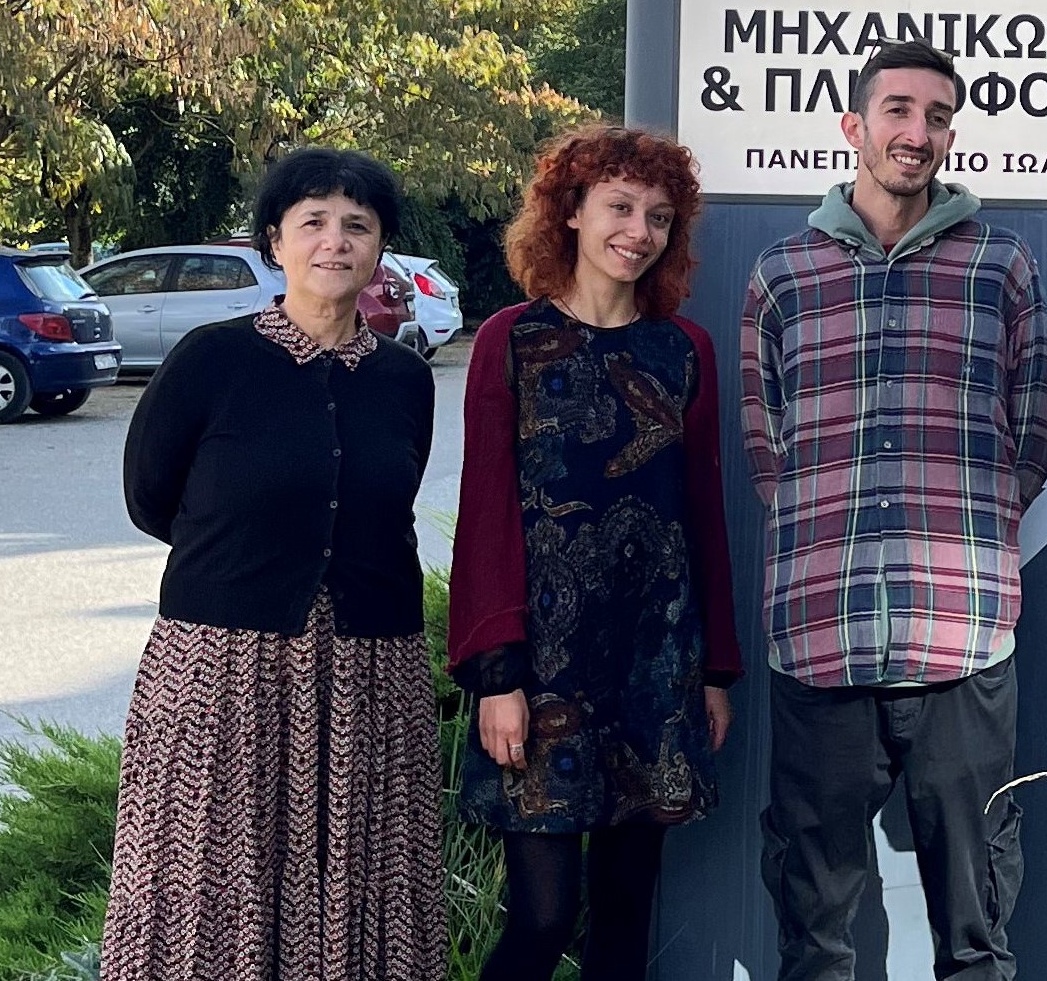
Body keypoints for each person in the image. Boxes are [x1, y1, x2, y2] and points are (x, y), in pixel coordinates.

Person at [740, 39, 1047, 981]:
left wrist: (967, 536)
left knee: (975, 931)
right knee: (816, 934)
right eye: (899, 111)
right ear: (855, 125)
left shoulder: (1001, 266)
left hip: (961, 639)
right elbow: (766, 448)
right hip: (820, 636)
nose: (918, 132)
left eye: (938, 116)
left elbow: (1032, 435)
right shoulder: (782, 274)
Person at [104, 147, 444, 980]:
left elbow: (387, 504)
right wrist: (248, 565)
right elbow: (151, 497)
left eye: (357, 225)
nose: (336, 241)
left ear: (381, 247)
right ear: (275, 241)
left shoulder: (404, 379)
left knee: (368, 872)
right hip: (223, 666)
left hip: (371, 671)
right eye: (313, 221)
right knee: (212, 878)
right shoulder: (210, 359)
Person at [448, 127, 742, 981]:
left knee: (623, 920)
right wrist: (496, 675)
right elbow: (486, 514)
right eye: (620, 207)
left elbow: (702, 515)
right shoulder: (511, 339)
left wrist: (713, 672)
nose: (639, 231)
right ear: (572, 212)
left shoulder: (684, 350)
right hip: (542, 668)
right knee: (542, 921)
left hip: (656, 665)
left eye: (659, 216)